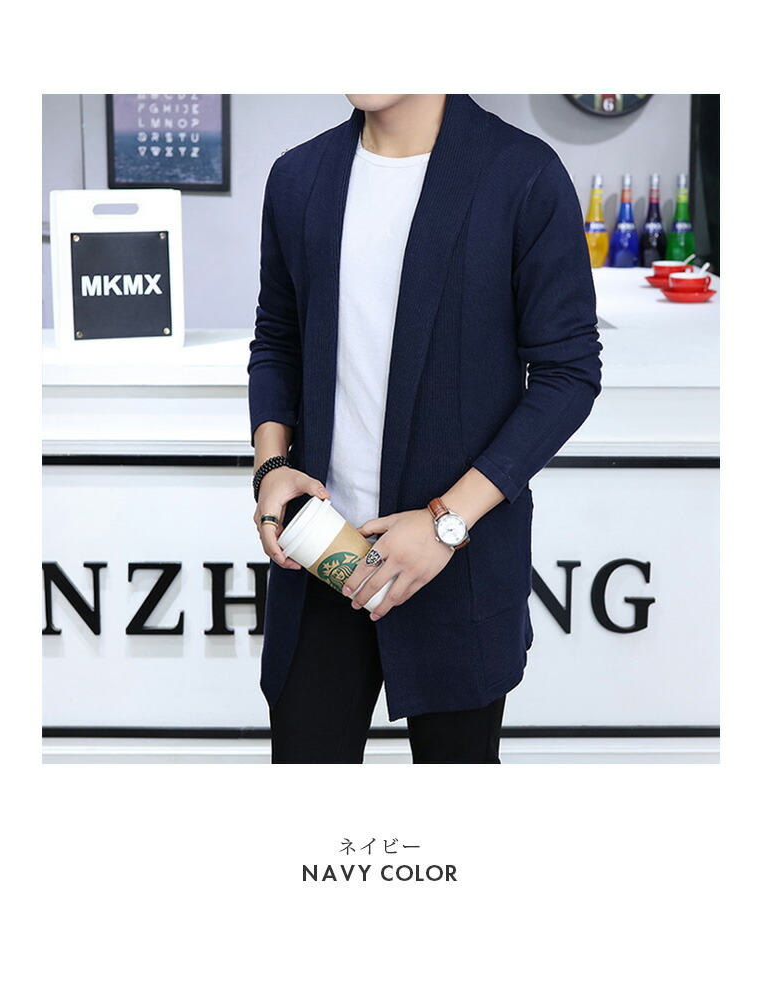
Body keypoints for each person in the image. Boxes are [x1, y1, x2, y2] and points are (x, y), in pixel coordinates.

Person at [248, 94, 602, 764]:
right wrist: (271, 466)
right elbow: (278, 340)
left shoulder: (520, 173)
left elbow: (568, 374)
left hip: (457, 561)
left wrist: (447, 522)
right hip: (318, 550)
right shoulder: (299, 175)